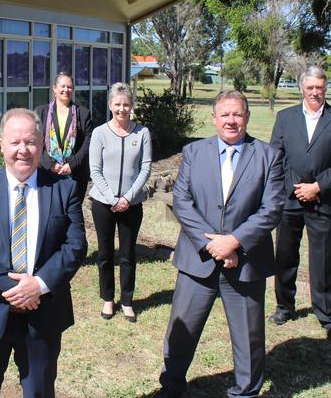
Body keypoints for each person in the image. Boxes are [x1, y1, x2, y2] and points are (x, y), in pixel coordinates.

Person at [0, 108, 87, 398]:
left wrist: (37, 286)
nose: (23, 150)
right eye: (15, 143)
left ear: (42, 145)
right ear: (1, 144)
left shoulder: (65, 189)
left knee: (39, 392)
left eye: (30, 142)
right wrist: (15, 287)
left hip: (43, 314)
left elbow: (75, 246)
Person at [158, 91, 284, 398]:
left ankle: (245, 391)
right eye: (225, 114)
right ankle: (172, 387)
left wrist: (235, 243)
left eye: (238, 114)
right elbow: (183, 201)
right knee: (181, 331)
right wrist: (213, 245)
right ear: (214, 118)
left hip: (246, 263)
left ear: (247, 118)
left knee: (249, 337)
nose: (231, 120)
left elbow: (272, 209)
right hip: (197, 260)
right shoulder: (193, 151)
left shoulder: (269, 156)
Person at [269, 66, 331, 339]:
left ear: (325, 88)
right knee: (284, 255)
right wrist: (296, 188)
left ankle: (325, 312)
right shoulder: (285, 118)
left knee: (323, 260)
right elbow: (275, 157)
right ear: (301, 89)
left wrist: (318, 186)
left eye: (320, 87)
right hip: (289, 200)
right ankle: (284, 305)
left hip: (323, 199)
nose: (315, 92)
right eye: (311, 88)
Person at [89, 82, 151, 322]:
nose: (122, 109)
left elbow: (145, 168)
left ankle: (126, 301)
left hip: (131, 205)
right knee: (105, 253)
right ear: (110, 106)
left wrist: (127, 198)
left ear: (132, 106)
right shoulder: (100, 133)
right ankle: (107, 299)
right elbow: (95, 170)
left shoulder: (142, 133)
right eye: (117, 104)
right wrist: (112, 198)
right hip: (103, 204)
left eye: (126, 104)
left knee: (127, 254)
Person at [35, 72, 93, 201]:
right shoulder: (41, 112)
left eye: (69, 86)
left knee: (72, 213)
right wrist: (50, 164)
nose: (66, 90)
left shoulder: (83, 114)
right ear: (54, 88)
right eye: (62, 86)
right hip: (47, 172)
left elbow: (88, 142)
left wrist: (72, 164)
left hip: (75, 174)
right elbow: (36, 141)